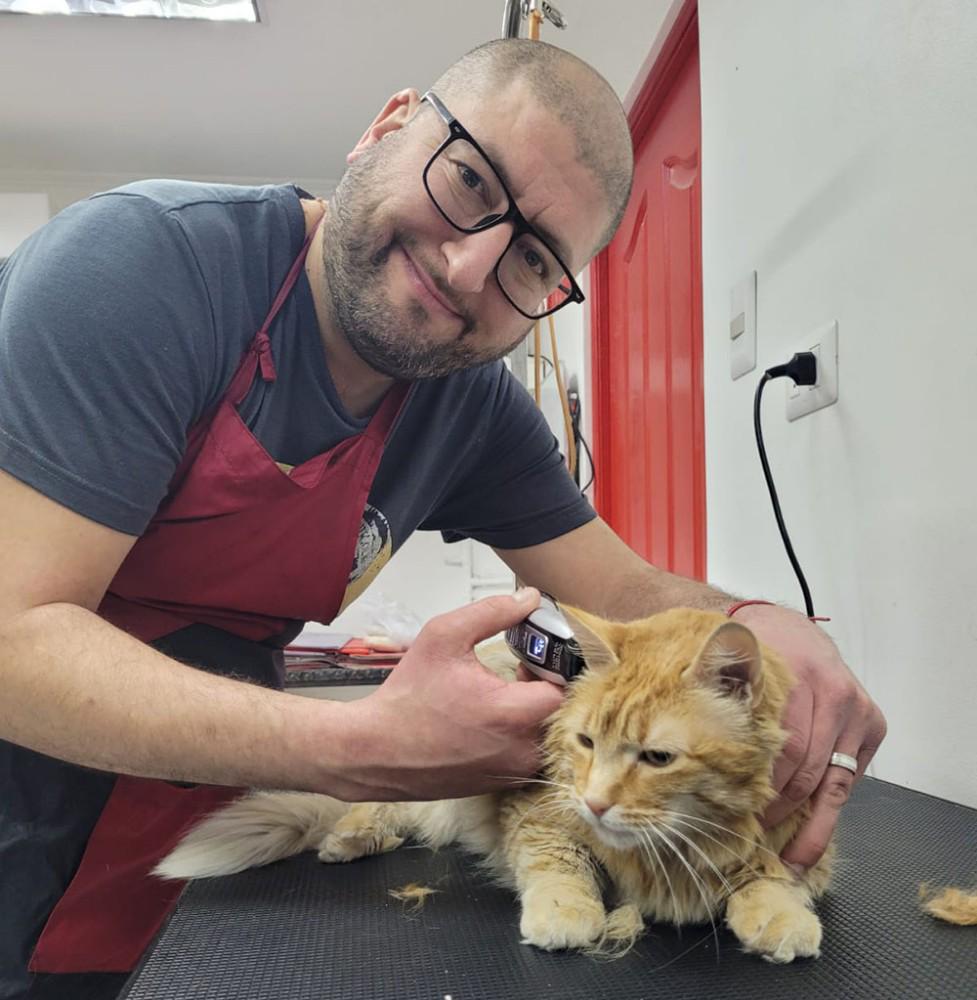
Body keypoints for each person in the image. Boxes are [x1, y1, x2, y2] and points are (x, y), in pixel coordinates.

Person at [0, 38, 885, 999]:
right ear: (386, 126)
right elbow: (14, 637)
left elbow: (623, 589)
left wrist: (756, 619)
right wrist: (361, 748)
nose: (469, 268)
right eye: (469, 180)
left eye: (533, 260)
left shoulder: (471, 406)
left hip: (198, 766)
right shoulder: (142, 269)